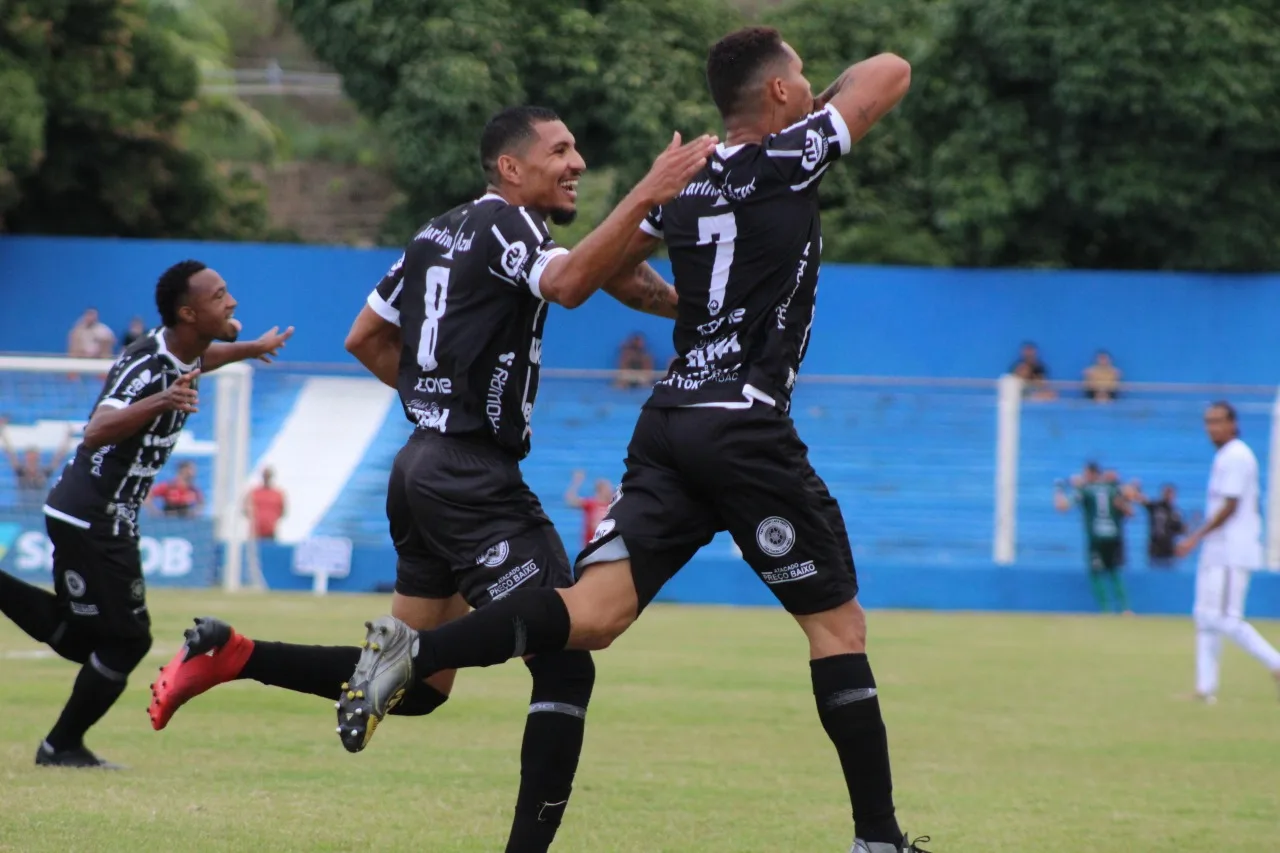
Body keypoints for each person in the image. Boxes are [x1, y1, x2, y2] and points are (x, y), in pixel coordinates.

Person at [341, 29, 930, 853]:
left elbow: (614, 263)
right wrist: (813, 108)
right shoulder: (790, 153)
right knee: (838, 629)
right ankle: (878, 839)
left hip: (671, 421)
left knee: (592, 617)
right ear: (781, 96)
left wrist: (682, 311)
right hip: (745, 422)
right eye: (794, 77)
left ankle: (413, 654)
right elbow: (889, 72)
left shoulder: (683, 186)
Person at [146, 106, 713, 852]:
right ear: (511, 168)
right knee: (566, 662)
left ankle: (236, 653)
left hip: (420, 465)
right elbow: (573, 282)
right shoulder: (514, 226)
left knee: (419, 692)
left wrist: (687, 306)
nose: (575, 162)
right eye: (561, 149)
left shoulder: (437, 232)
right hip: (470, 474)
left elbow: (364, 337)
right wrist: (648, 193)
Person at [0, 261, 292, 768]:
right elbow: (96, 430)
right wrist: (162, 400)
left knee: (84, 639)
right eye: (220, 295)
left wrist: (250, 348)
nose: (233, 302)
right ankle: (60, 747)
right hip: (94, 518)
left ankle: (60, 744)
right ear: (188, 313)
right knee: (127, 641)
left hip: (90, 514)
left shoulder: (184, 352)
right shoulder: (148, 366)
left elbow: (204, 359)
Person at [1174, 402, 1280, 704]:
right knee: (1204, 617)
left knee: (1225, 618)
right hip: (1217, 549)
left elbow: (1230, 506)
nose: (1212, 428)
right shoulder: (1225, 456)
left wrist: (1195, 537)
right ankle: (1205, 689)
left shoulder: (1237, 455)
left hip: (1233, 548)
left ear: (1233, 423)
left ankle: (1276, 663)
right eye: (1208, 422)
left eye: (1218, 421)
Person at [1054, 462, 1133, 613]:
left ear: (1091, 473)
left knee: (1096, 572)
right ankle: (1126, 609)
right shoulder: (1112, 488)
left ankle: (1106, 610)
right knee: (1114, 571)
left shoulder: (1085, 489)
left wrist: (1059, 489)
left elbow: (1062, 506)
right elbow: (1130, 509)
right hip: (1114, 535)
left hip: (1096, 536)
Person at [0, 417, 74, 507]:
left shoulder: (44, 473)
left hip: (39, 508)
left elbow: (59, 456)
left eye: (34, 457)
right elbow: (10, 453)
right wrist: (2, 432)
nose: (32, 459)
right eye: (30, 457)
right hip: (23, 507)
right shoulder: (21, 472)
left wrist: (68, 437)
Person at [1126, 481, 1186, 568]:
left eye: (1171, 493)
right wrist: (1136, 489)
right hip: (1155, 550)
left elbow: (1181, 531)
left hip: (1169, 552)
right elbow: (1141, 499)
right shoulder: (1155, 506)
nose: (1168, 495)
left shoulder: (1176, 512)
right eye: (1166, 492)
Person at [563, 470, 613, 550]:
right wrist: (576, 482)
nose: (610, 490)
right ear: (600, 490)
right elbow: (571, 501)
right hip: (590, 546)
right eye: (607, 488)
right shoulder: (591, 504)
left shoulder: (613, 505)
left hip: (607, 546)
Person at [246, 467, 286, 541]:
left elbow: (283, 511)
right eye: (265, 476)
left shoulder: (277, 494)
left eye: (268, 476)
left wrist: (271, 520)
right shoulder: (254, 493)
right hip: (255, 532)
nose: (267, 478)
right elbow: (246, 509)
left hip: (271, 532)